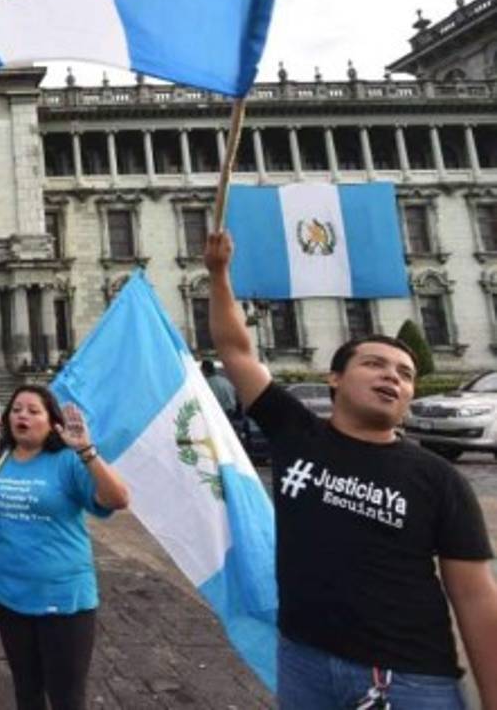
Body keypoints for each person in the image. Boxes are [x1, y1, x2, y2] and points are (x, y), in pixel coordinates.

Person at [204, 230, 497, 708]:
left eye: (405, 373)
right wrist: (218, 275)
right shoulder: (297, 435)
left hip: (406, 680)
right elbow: (237, 352)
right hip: (304, 663)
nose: (392, 376)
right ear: (335, 378)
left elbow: (476, 596)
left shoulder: (438, 479)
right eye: (375, 364)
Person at [0, 385, 130, 710]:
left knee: (66, 698)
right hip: (10, 596)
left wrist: (87, 451)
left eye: (34, 411)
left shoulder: (68, 461)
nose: (23, 415)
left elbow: (118, 499)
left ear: (52, 422)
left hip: (63, 600)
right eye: (17, 409)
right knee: (26, 691)